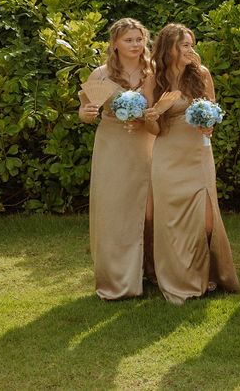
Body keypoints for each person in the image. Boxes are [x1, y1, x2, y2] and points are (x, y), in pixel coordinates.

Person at [142, 23, 240, 304]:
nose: (190, 50)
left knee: (206, 220)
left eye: (191, 45)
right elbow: (154, 132)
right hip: (168, 154)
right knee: (171, 220)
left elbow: (212, 111)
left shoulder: (201, 74)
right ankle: (180, 278)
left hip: (198, 152)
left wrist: (209, 123)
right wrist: (150, 118)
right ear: (169, 48)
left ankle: (206, 271)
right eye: (185, 45)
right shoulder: (154, 80)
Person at [78, 18, 155, 300]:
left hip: (147, 142)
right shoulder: (100, 75)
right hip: (112, 144)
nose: (136, 45)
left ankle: (152, 270)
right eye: (129, 40)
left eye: (139, 39)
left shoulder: (153, 72)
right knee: (115, 208)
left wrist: (146, 120)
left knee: (150, 208)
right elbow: (85, 109)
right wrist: (85, 114)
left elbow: (163, 110)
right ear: (115, 44)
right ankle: (117, 276)